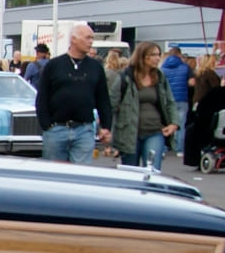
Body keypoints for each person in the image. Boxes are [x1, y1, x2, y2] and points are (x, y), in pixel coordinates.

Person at [35, 23, 113, 163]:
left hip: (84, 129)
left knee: (80, 176)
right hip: (56, 129)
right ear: (74, 39)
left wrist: (106, 126)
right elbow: (42, 98)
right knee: (55, 175)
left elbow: (103, 99)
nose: (91, 42)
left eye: (92, 38)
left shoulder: (95, 67)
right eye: (87, 37)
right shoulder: (54, 65)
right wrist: (46, 125)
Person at [111, 41, 180, 170]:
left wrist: (174, 123)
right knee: (130, 172)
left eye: (159, 54)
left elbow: (170, 101)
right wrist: (110, 136)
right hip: (130, 133)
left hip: (155, 130)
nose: (158, 58)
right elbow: (112, 104)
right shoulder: (126, 77)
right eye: (153, 54)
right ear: (142, 56)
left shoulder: (160, 77)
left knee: (152, 171)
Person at [183, 55, 222, 166]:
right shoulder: (210, 74)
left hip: (197, 102)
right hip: (207, 104)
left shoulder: (198, 73)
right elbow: (216, 89)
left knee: (196, 129)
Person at [160, 46, 192, 154]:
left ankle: (164, 147)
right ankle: (179, 149)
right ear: (179, 54)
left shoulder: (162, 68)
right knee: (181, 124)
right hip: (182, 99)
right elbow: (192, 82)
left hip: (166, 100)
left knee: (165, 122)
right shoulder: (185, 67)